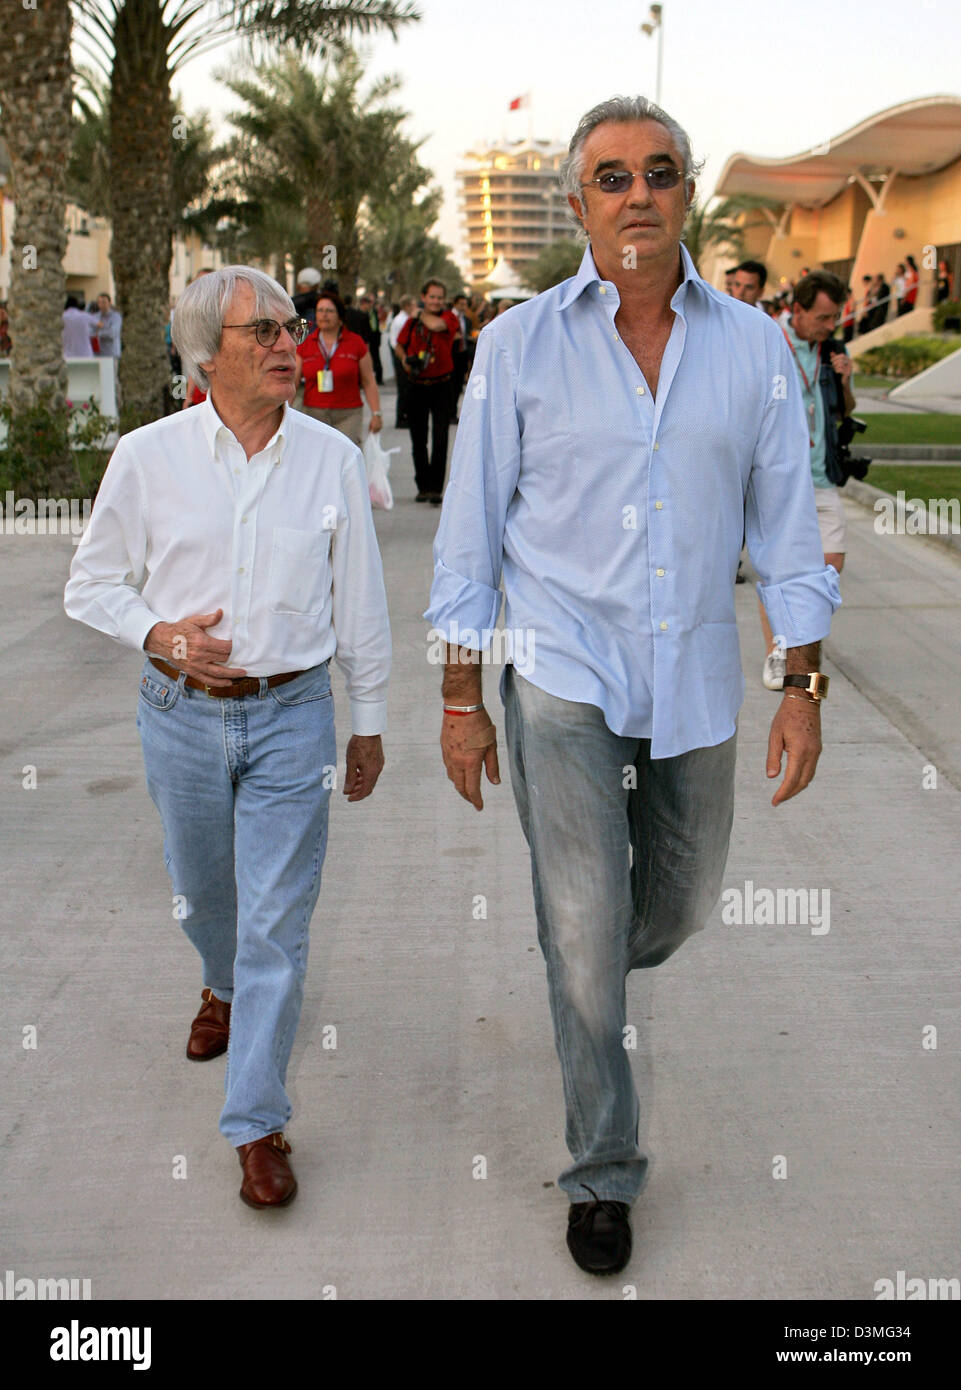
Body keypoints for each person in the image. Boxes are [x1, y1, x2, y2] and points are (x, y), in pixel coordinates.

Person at [425, 94, 840, 1277]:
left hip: (698, 677)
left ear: (688, 194)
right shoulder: (516, 348)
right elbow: (468, 541)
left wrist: (801, 683)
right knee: (585, 918)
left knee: (675, 908)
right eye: (611, 177)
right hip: (558, 672)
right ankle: (603, 1169)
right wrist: (460, 701)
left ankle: (580, 959)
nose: (638, 195)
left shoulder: (755, 348)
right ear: (578, 205)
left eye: (660, 173)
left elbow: (788, 534)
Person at [64, 265, 391, 1210]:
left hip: (295, 717)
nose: (290, 347)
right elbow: (91, 585)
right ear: (206, 357)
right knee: (204, 896)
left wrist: (366, 722)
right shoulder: (147, 456)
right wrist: (162, 635)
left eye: (290, 331)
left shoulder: (329, 459)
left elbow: (359, 602)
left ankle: (257, 1122)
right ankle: (217, 983)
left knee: (276, 929)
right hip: (179, 717)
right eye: (266, 334)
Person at [760, 269, 853, 689]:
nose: (830, 326)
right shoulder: (768, 339)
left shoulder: (831, 349)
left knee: (829, 568)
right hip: (781, 477)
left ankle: (802, 636)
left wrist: (845, 379)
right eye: (823, 317)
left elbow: (843, 411)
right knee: (780, 570)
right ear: (796, 311)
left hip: (821, 474)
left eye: (834, 317)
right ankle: (779, 650)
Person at [397, 279, 460, 504]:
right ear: (424, 297)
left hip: (442, 384)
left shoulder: (448, 317)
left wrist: (418, 313)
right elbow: (399, 344)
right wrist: (405, 360)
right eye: (432, 297)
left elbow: (437, 326)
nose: (436, 301)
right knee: (418, 438)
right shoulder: (411, 323)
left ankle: (436, 489)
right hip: (417, 384)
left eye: (440, 297)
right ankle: (422, 486)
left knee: (441, 437)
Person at [295, 290, 382, 447]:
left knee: (346, 462)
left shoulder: (356, 343)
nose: (324, 315)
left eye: (329, 311)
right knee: (316, 462)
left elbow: (369, 381)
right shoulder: (306, 344)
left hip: (348, 415)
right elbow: (292, 382)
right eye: (320, 311)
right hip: (314, 415)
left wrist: (376, 413)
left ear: (340, 316)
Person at [92, 292, 122, 357]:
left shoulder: (115, 317)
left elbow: (113, 333)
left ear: (109, 302)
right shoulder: (95, 317)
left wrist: (98, 333)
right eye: (99, 302)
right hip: (98, 354)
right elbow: (90, 331)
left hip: (112, 353)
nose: (101, 305)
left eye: (104, 302)